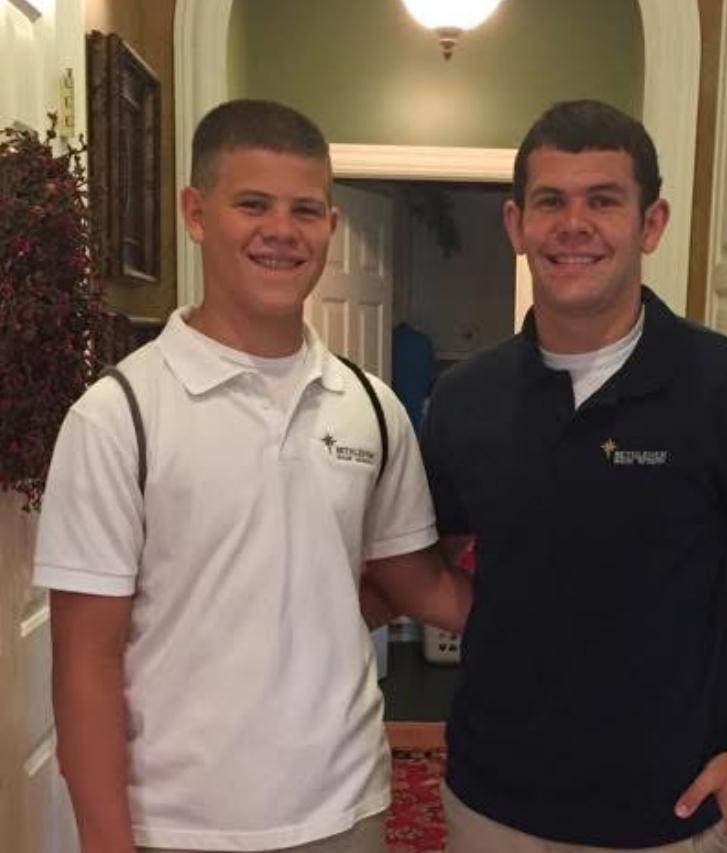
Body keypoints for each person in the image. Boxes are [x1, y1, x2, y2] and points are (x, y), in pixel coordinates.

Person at [34, 99, 470, 853]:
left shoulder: (371, 407)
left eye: (305, 209)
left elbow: (413, 584)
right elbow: (84, 661)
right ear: (195, 213)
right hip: (179, 822)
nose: (281, 230)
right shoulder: (120, 416)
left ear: (331, 225)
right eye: (253, 204)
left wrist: (573, 608)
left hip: (347, 808)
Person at [420, 99, 727, 852]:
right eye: (550, 201)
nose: (574, 224)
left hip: (670, 815)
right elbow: (432, 561)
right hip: (491, 806)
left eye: (603, 201)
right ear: (516, 224)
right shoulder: (464, 398)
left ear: (651, 224)